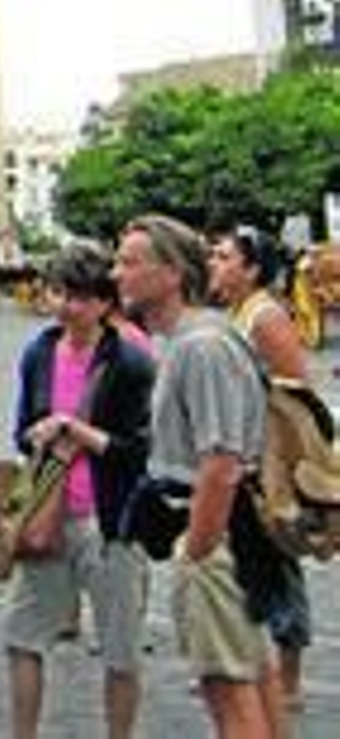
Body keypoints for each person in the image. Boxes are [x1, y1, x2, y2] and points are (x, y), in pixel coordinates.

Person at [114, 214, 282, 739]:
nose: (117, 273)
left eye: (129, 262)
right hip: (230, 533)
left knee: (228, 688)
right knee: (255, 672)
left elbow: (221, 460)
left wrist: (198, 549)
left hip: (216, 535)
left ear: (170, 273)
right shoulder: (191, 340)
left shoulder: (199, 345)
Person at [3, 240, 155, 739]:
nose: (68, 306)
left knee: (120, 648)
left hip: (108, 518)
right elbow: (22, 427)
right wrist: (37, 432)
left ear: (105, 303)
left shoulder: (130, 362)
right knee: (22, 637)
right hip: (47, 507)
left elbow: (139, 452)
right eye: (60, 293)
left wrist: (77, 431)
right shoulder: (39, 352)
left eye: (81, 297)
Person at [208, 224, 311, 714]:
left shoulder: (265, 317)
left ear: (251, 269)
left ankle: (288, 680)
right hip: (239, 459)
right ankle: (247, 663)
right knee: (243, 563)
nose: (214, 263)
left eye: (225, 257)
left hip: (268, 466)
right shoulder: (235, 313)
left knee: (277, 565)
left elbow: (296, 394)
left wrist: (282, 468)